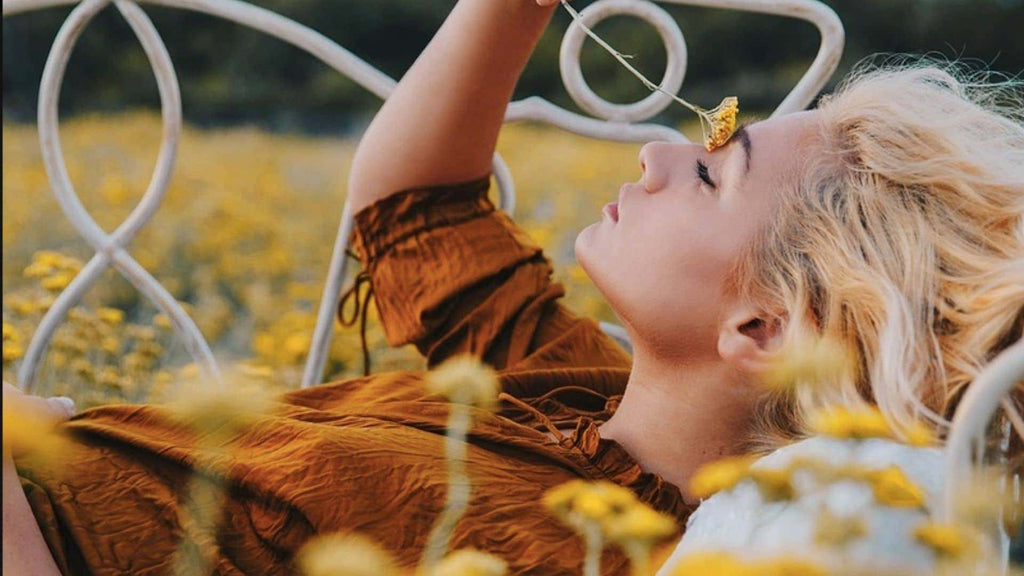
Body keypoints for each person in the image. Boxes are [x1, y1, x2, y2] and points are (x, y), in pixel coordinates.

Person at [4, 0, 1023, 573]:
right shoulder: (578, 393)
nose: (655, 158)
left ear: (762, 325)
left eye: (715, 169)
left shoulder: (583, 554)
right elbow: (419, 214)